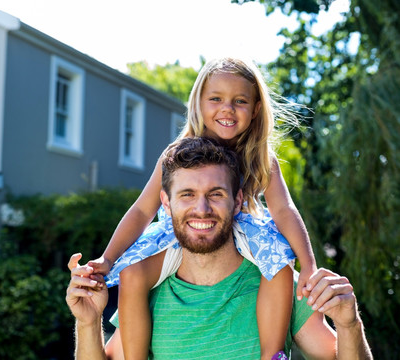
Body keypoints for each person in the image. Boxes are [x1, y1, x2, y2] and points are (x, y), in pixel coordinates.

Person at [88, 57, 316, 359]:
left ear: (256, 109)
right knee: (131, 274)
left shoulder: (261, 156)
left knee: (279, 269)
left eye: (240, 101)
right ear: (199, 102)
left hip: (241, 232)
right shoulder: (177, 153)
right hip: (181, 233)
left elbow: (284, 210)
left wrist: (309, 266)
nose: (227, 109)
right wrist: (108, 258)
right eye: (216, 99)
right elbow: (143, 210)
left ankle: (273, 355)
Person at [66, 137, 373, 359]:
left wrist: (348, 322)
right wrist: (88, 322)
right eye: (187, 194)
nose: (201, 209)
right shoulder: (149, 290)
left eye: (215, 194)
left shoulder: (279, 282)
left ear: (238, 201)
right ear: (166, 203)